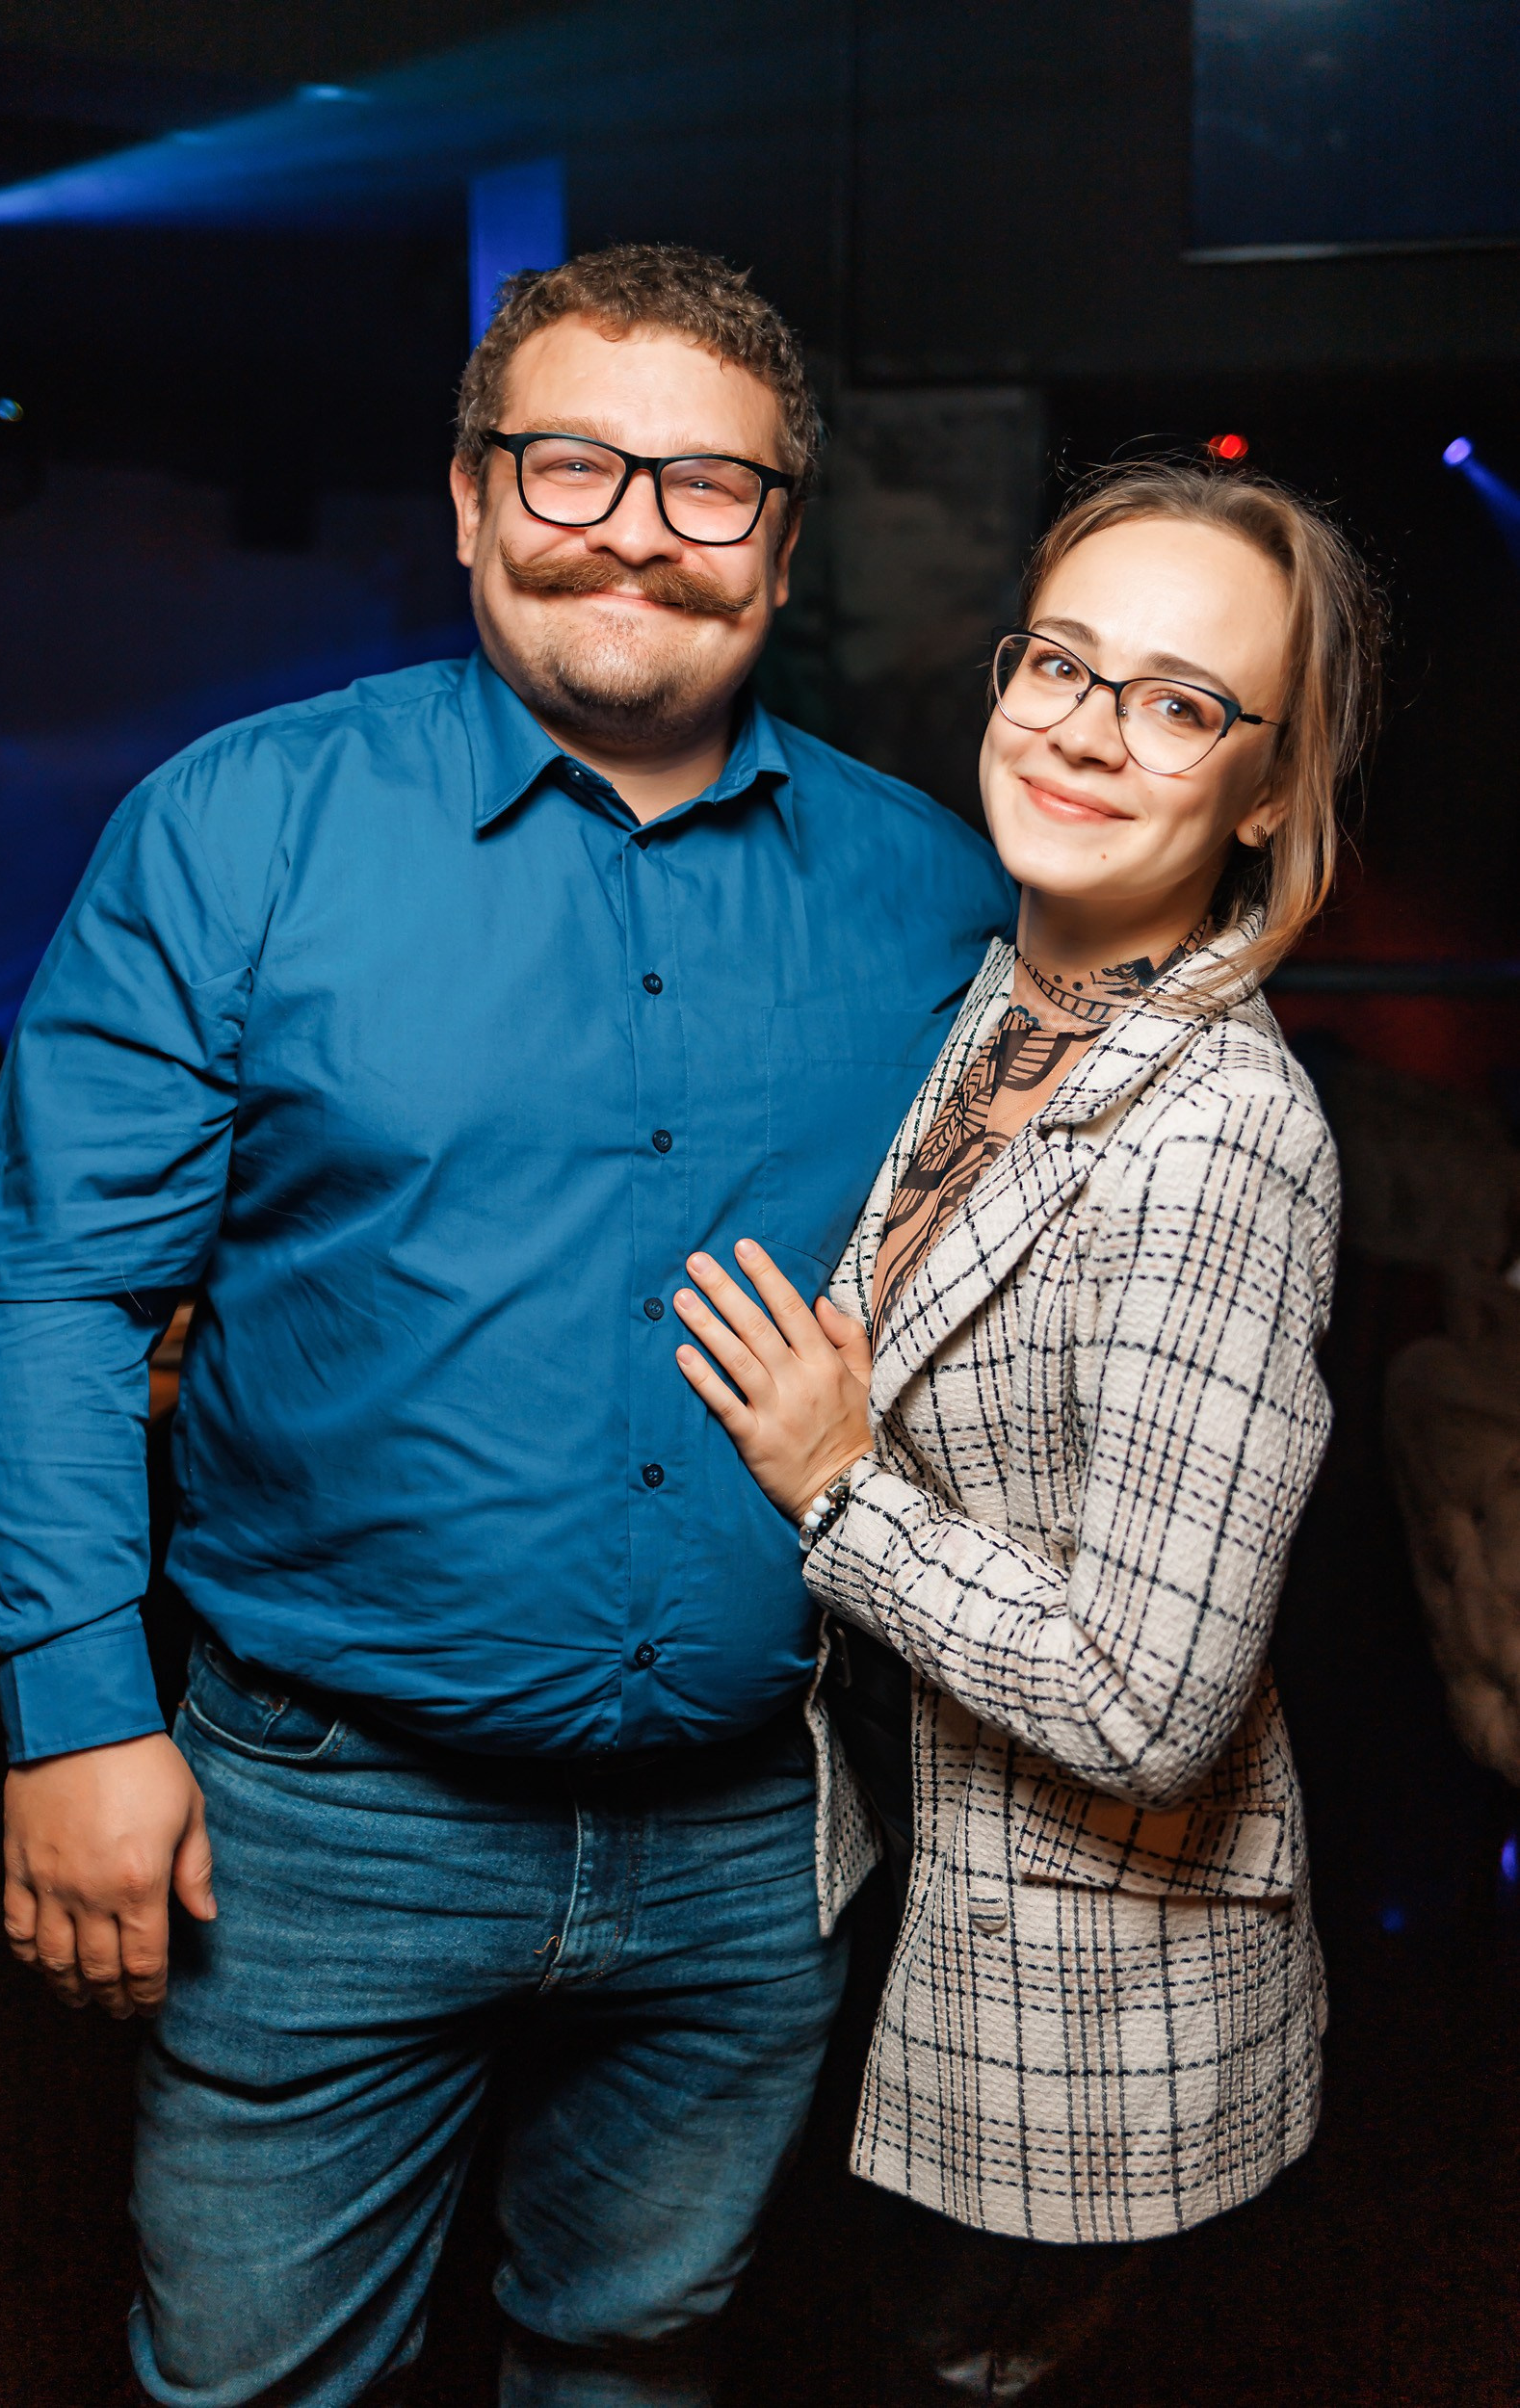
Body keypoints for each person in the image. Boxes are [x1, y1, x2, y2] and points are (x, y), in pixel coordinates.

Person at [0, 245, 1015, 2408]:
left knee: (638, 2352)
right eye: (571, 463)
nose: (635, 528)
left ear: (781, 534)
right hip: (319, 1823)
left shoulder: (937, 893)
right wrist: (74, 1714)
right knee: (256, 2381)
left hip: (760, 1829)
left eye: (708, 483)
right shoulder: (239, 829)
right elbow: (51, 1289)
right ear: (467, 494)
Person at [671, 459, 1384, 2398]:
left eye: (1180, 701)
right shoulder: (1001, 1001)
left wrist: (839, 1487)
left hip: (1073, 2006)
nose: (1084, 728)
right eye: (1062, 661)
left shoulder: (1222, 1130)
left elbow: (1154, 1702)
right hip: (897, 1913)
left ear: (1266, 789)